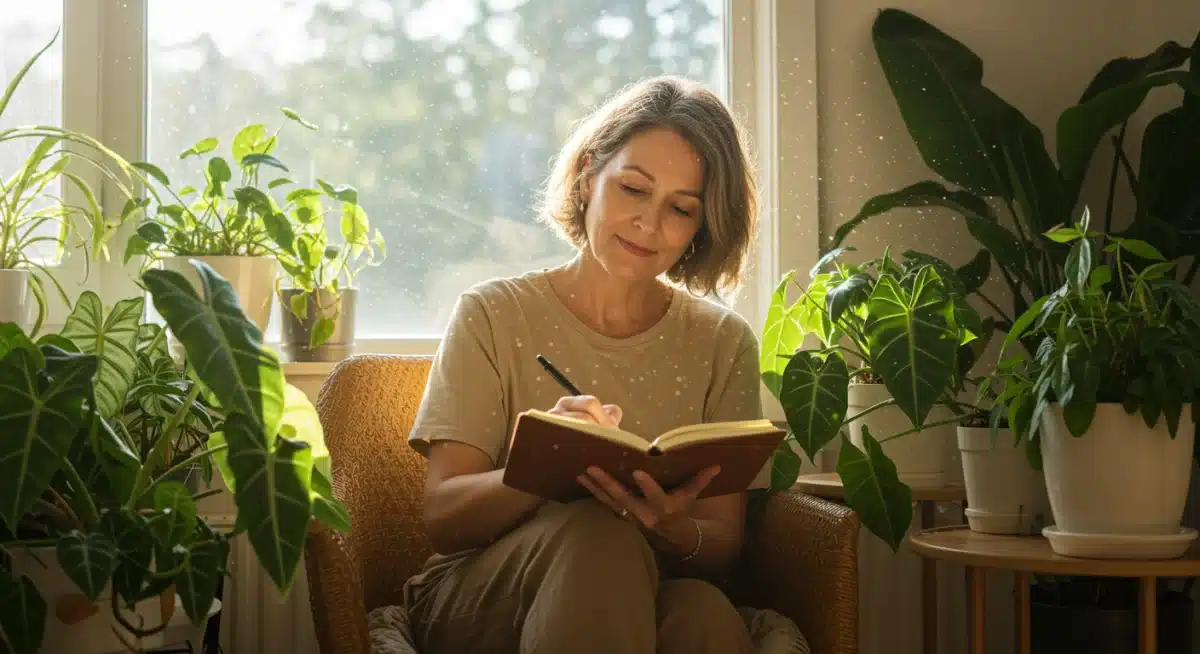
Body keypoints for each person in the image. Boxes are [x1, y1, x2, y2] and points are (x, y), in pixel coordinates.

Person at [402, 74, 768, 654]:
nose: (649, 224)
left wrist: (669, 527)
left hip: (652, 590)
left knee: (703, 613)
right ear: (587, 176)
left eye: (680, 208)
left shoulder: (724, 341)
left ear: (702, 227)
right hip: (485, 594)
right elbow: (444, 518)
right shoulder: (493, 314)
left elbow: (721, 544)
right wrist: (547, 464)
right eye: (632, 189)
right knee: (599, 535)